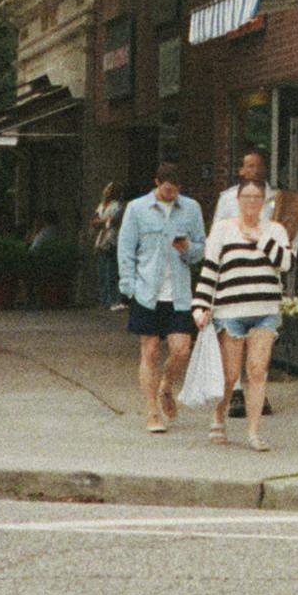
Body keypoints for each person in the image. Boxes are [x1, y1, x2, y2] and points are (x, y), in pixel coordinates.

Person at [192, 176, 293, 451]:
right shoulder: (223, 230)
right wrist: (200, 306)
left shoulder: (275, 230)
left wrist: (261, 239)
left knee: (258, 371)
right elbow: (210, 270)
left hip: (265, 309)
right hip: (230, 309)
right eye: (246, 197)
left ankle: (253, 431)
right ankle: (218, 414)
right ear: (237, 201)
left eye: (257, 198)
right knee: (230, 374)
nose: (252, 203)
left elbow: (286, 263)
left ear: (265, 202)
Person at [116, 163, 206, 433]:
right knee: (151, 351)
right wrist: (129, 287)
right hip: (147, 290)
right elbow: (126, 248)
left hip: (178, 292)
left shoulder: (191, 209)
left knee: (181, 349)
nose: (170, 193)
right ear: (157, 183)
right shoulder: (137, 209)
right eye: (166, 188)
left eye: (175, 189)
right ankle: (152, 412)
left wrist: (188, 248)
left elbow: (202, 247)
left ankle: (166, 386)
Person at [91, 179, 125, 310]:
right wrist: (105, 221)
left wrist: (103, 222)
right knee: (102, 272)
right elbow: (94, 221)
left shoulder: (117, 206)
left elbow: (115, 221)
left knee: (111, 271)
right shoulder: (101, 205)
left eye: (109, 188)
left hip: (112, 240)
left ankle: (114, 300)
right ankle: (105, 300)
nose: (106, 190)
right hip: (101, 240)